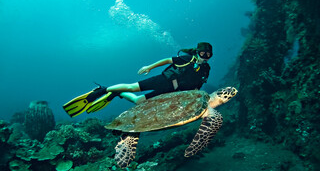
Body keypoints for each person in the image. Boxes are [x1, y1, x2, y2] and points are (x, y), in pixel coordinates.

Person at [63, 42, 213, 117]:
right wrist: (149, 67)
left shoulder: (206, 69)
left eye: (208, 55)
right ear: (197, 52)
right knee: (131, 87)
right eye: (202, 53)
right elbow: (168, 60)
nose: (204, 57)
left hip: (172, 92)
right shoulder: (187, 59)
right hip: (163, 81)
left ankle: (117, 94)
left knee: (138, 101)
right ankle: (103, 90)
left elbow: (198, 85)